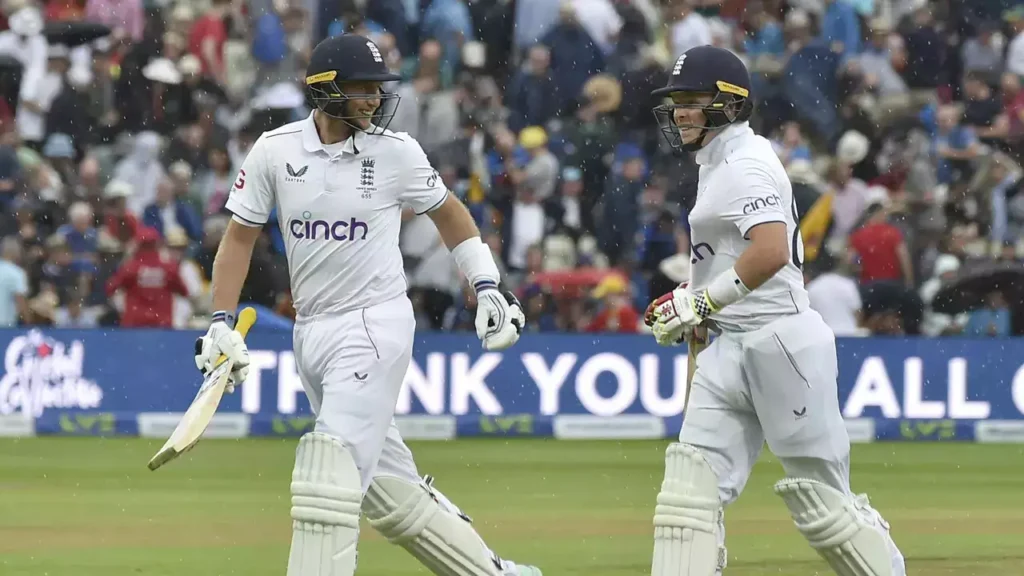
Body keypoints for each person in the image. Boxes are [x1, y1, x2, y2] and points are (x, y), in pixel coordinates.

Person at [191, 34, 540, 576]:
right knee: (388, 494)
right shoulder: (276, 150)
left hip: (375, 323)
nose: (375, 99)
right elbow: (239, 238)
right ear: (325, 90)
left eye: (379, 89)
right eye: (362, 89)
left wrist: (487, 283)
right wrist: (220, 321)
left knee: (326, 469)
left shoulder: (395, 151)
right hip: (311, 333)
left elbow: (448, 213)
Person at [642, 46, 905, 576]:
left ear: (731, 104)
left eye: (693, 101)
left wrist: (701, 300)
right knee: (687, 499)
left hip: (780, 341)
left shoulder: (748, 163)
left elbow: (771, 251)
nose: (680, 113)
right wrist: (695, 310)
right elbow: (729, 259)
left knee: (826, 507)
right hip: (729, 344)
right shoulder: (715, 163)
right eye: (676, 103)